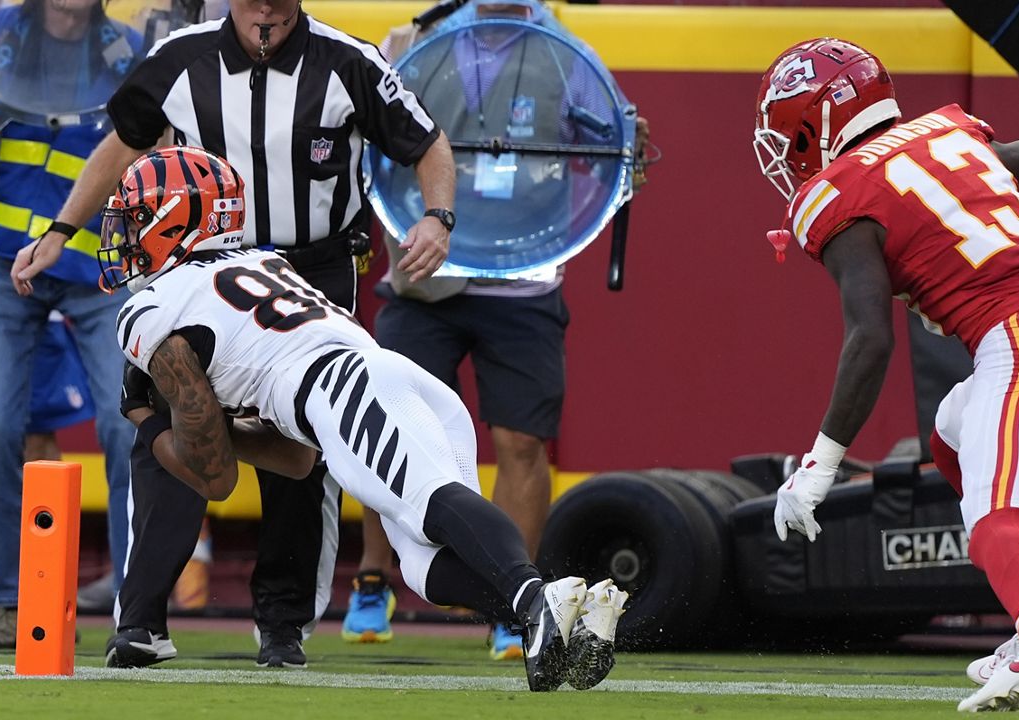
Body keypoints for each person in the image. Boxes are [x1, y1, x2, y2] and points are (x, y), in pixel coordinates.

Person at [10, 0, 457, 669]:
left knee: (308, 438)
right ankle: (142, 617)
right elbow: (125, 144)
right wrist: (59, 230)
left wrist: (438, 216)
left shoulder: (348, 61)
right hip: (196, 270)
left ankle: (282, 622)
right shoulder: (180, 59)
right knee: (163, 424)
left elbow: (426, 142)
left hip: (309, 274)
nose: (266, 12)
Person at [101, 145, 629, 691]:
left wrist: (144, 418)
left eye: (137, 218)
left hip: (341, 387)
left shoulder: (155, 308)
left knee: (429, 503)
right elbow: (299, 458)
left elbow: (214, 478)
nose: (127, 235)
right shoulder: (262, 262)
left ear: (180, 220)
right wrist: (215, 423)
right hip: (372, 383)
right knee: (424, 566)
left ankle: (533, 600)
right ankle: (573, 611)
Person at [752, 38, 1019, 712]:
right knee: (952, 434)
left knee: (991, 520)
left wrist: (818, 466)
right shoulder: (952, 132)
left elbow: (870, 339)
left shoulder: (835, 193)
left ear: (818, 125)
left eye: (790, 134)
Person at [343, 0, 649, 661]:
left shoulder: (567, 54)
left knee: (520, 442)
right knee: (382, 429)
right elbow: (371, 144)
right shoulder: (411, 42)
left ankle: (517, 606)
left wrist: (631, 144)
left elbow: (610, 145)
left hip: (524, 277)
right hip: (424, 277)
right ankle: (373, 578)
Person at [0, 0, 142, 646]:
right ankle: (15, 606)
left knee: (127, 429)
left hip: (97, 269)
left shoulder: (130, 53)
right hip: (1, 262)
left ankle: (137, 608)